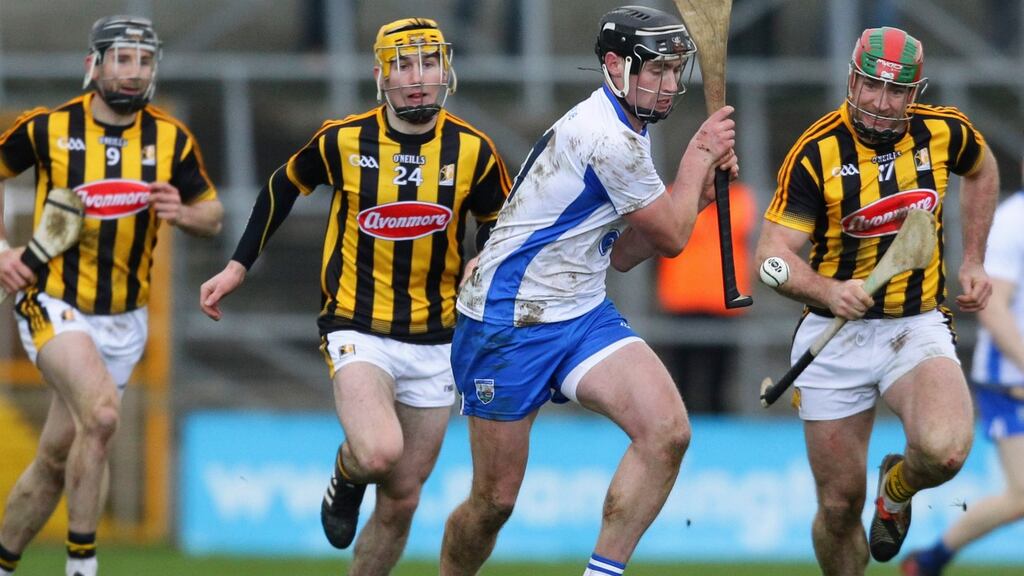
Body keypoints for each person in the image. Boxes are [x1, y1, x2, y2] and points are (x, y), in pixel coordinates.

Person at [199, 17, 510, 575]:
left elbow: (499, 226)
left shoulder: (474, 150)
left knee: (403, 498)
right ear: (380, 75)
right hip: (357, 326)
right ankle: (345, 474)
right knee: (377, 453)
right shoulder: (344, 139)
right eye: (403, 64)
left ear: (447, 70)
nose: (418, 78)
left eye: (429, 62)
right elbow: (282, 185)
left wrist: (480, 266)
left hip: (438, 340)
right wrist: (238, 265)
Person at [439, 6, 738, 575]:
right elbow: (672, 240)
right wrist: (700, 157)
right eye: (656, 70)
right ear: (613, 66)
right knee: (493, 503)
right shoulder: (608, 138)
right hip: (508, 320)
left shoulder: (631, 132)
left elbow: (625, 254)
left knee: (667, 432)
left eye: (676, 71)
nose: (671, 85)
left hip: (580, 311)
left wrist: (694, 197)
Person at [755, 26, 999, 575]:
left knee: (946, 450)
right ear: (851, 79)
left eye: (896, 92)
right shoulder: (815, 153)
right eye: (871, 87)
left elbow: (982, 170)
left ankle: (897, 488)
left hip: (915, 324)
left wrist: (974, 258)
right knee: (839, 507)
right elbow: (771, 261)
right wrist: (825, 289)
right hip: (830, 332)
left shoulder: (944, 131)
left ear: (914, 94)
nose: (880, 103)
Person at [0, 15, 223, 576]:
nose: (133, 72)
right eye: (121, 59)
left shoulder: (170, 138)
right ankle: (83, 567)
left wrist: (185, 213)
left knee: (55, 458)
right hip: (52, 300)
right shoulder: (47, 128)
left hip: (125, 319)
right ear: (92, 65)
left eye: (144, 61)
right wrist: (3, 250)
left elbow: (213, 215)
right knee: (101, 416)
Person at [901, 168, 1024, 576]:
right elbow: (992, 305)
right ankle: (930, 561)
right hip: (1011, 380)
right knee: (1021, 496)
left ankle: (930, 561)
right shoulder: (1015, 218)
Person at [655, 180, 755, 412]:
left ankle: (717, 439)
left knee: (720, 383)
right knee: (679, 381)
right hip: (680, 301)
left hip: (723, 304)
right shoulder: (671, 197)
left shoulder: (739, 199)